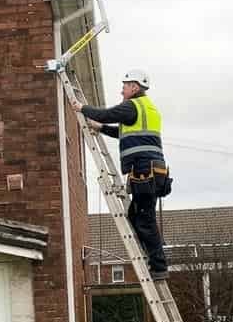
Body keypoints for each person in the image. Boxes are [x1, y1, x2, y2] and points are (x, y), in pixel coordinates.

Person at [72, 69, 170, 280]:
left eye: (124, 86)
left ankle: (159, 266)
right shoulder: (147, 109)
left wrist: (82, 108)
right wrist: (102, 128)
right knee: (136, 216)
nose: (121, 90)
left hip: (145, 171)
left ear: (134, 87)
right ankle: (153, 257)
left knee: (145, 219)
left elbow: (108, 113)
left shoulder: (132, 106)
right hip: (152, 171)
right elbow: (123, 132)